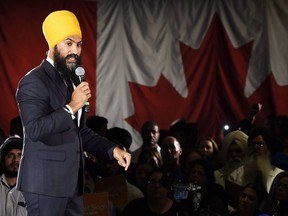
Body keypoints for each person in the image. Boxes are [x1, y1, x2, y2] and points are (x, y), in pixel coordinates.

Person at [15, 10, 131, 216]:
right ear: (53, 44)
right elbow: (34, 130)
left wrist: (112, 150)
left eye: (78, 45)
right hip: (45, 188)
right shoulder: (34, 81)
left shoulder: (72, 80)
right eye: (68, 43)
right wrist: (71, 107)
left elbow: (79, 132)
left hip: (72, 186)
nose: (75, 51)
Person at [0, 137, 26, 216]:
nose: (15, 160)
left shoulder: (34, 190)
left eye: (19, 155)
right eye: (10, 155)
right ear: (3, 160)